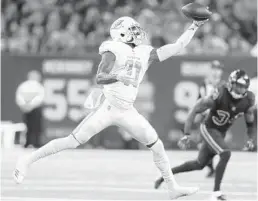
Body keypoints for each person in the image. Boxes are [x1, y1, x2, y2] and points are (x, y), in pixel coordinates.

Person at [13, 16, 207, 199]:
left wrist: (194, 26)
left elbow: (177, 46)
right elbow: (100, 77)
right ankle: (27, 160)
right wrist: (118, 76)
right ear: (121, 33)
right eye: (132, 29)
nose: (137, 31)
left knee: (157, 146)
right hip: (108, 107)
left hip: (128, 110)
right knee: (72, 141)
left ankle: (172, 188)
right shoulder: (113, 49)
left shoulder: (145, 52)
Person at [154, 69, 256, 200]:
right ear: (231, 83)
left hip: (220, 132)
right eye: (238, 86)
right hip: (208, 128)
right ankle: (216, 193)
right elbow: (195, 110)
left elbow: (251, 123)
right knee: (225, 153)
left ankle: (164, 176)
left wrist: (251, 139)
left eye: (243, 87)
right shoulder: (219, 94)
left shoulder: (248, 100)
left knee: (199, 164)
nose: (241, 90)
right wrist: (186, 133)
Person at [196, 60, 224, 177]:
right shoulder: (204, 84)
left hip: (218, 118)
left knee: (213, 144)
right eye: (214, 69)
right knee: (203, 144)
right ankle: (211, 168)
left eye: (218, 69)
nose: (216, 72)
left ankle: (214, 168)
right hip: (206, 117)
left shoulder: (223, 84)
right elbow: (199, 99)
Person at [15, 70, 44, 148]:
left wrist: (30, 105)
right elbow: (19, 96)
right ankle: (27, 142)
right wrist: (25, 105)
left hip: (35, 109)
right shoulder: (24, 86)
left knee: (36, 127)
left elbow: (40, 98)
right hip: (27, 110)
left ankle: (36, 143)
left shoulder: (38, 86)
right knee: (27, 126)